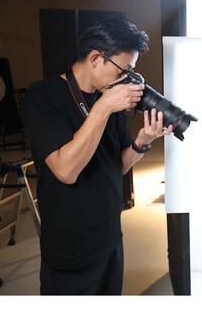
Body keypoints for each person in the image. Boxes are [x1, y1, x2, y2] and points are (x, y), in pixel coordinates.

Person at [22, 18, 173, 295]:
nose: (125, 79)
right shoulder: (42, 97)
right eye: (123, 70)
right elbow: (66, 171)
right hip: (71, 245)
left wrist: (142, 141)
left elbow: (118, 166)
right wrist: (103, 108)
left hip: (110, 236)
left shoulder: (109, 97)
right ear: (95, 58)